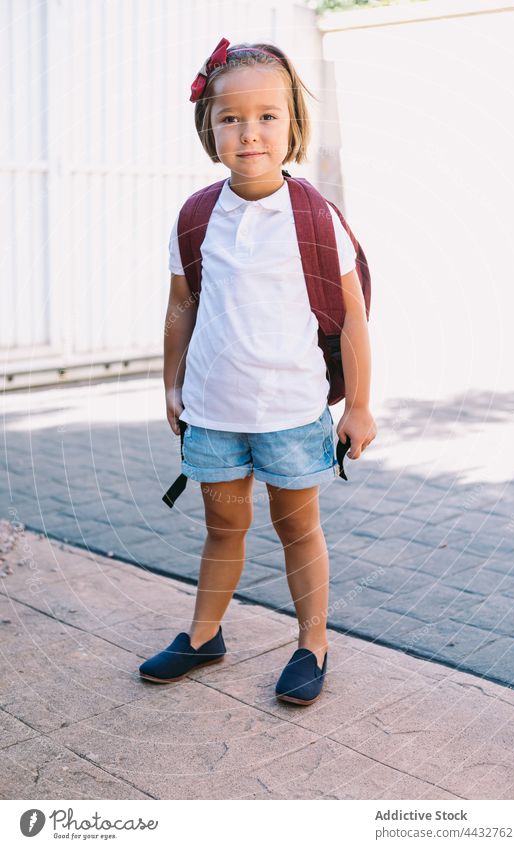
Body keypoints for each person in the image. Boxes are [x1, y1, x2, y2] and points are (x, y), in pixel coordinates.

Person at [139, 37, 377, 704]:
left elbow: (353, 317)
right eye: (230, 118)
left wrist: (357, 405)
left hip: (292, 410)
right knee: (222, 527)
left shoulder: (313, 216)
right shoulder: (195, 216)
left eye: (267, 116)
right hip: (213, 411)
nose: (249, 133)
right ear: (208, 127)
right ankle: (204, 634)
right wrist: (171, 385)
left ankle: (312, 643)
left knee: (298, 526)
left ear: (292, 124)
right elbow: (181, 305)